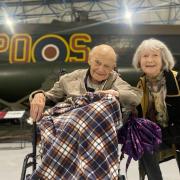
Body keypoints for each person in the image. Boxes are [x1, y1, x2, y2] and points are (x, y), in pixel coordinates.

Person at [30, 44, 142, 121]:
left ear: (113, 67)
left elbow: (135, 96)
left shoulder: (115, 80)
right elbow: (50, 96)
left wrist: (116, 94)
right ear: (89, 60)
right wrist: (39, 95)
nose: (101, 69)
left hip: (99, 135)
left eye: (107, 66)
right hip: (69, 133)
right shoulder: (69, 79)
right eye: (97, 62)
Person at [132, 38, 180, 180]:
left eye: (155, 55)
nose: (149, 60)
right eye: (145, 56)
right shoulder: (140, 85)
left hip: (177, 130)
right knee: (143, 141)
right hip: (157, 135)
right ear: (139, 61)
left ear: (163, 59)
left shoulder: (177, 79)